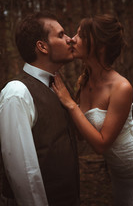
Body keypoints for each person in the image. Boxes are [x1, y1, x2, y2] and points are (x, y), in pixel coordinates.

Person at [52, 14, 133, 206]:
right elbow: (81, 134)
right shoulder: (84, 83)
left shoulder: (121, 87)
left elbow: (101, 145)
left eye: (80, 35)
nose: (72, 39)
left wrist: (70, 104)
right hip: (119, 175)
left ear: (100, 46)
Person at [0, 11, 80, 206]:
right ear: (42, 46)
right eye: (61, 35)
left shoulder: (58, 86)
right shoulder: (17, 92)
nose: (70, 39)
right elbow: (24, 172)